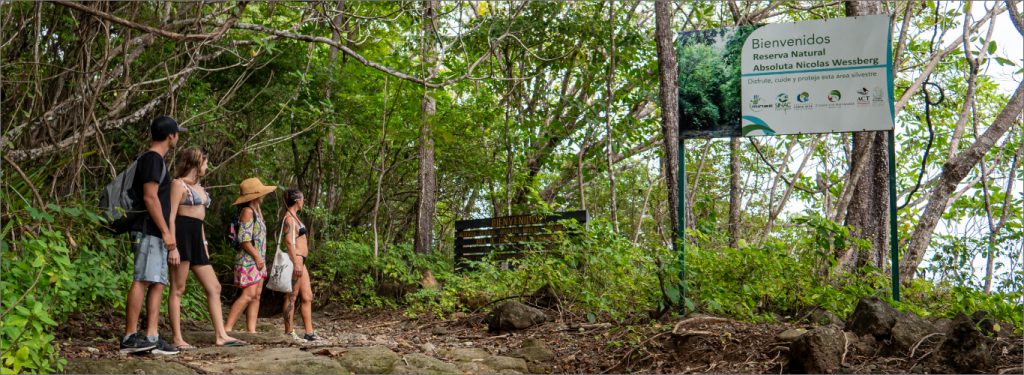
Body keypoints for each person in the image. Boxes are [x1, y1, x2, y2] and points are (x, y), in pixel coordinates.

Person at [167, 148, 246, 349]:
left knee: (214, 287)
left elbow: (200, 219)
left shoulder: (200, 187)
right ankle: (177, 338)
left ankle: (221, 335)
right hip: (181, 237)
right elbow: (171, 217)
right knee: (178, 288)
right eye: (205, 163)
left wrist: (204, 243)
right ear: (195, 163)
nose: (207, 166)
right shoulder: (178, 184)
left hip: (196, 239)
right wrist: (172, 247)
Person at [120, 116, 184, 355]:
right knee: (143, 279)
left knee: (157, 282)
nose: (178, 137)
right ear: (171, 136)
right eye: (178, 133)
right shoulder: (153, 159)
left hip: (155, 232)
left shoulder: (155, 160)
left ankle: (152, 336)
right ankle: (129, 337)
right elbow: (150, 197)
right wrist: (167, 232)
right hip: (148, 229)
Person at [225, 178, 276, 333]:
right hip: (250, 259)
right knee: (248, 294)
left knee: (256, 296)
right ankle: (227, 328)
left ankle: (251, 330)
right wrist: (257, 257)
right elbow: (244, 240)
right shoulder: (247, 212)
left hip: (257, 260)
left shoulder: (255, 212)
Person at [281, 188, 320, 341]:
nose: (303, 201)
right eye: (302, 198)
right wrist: (296, 263)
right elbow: (289, 242)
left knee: (307, 296)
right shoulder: (289, 218)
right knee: (291, 297)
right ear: (297, 200)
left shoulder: (295, 217)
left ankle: (309, 332)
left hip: (301, 261)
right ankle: (289, 332)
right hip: (295, 260)